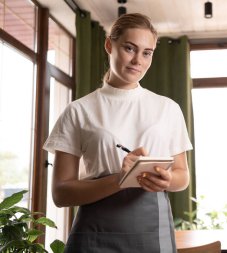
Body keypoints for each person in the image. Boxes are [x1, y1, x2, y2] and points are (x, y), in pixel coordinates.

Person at [43, 13, 193, 252]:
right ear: (109, 45)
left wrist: (168, 180)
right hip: (94, 237)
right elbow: (61, 193)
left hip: (154, 234)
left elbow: (182, 176)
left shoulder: (168, 109)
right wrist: (119, 179)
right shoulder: (78, 111)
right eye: (129, 48)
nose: (138, 60)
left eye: (147, 52)